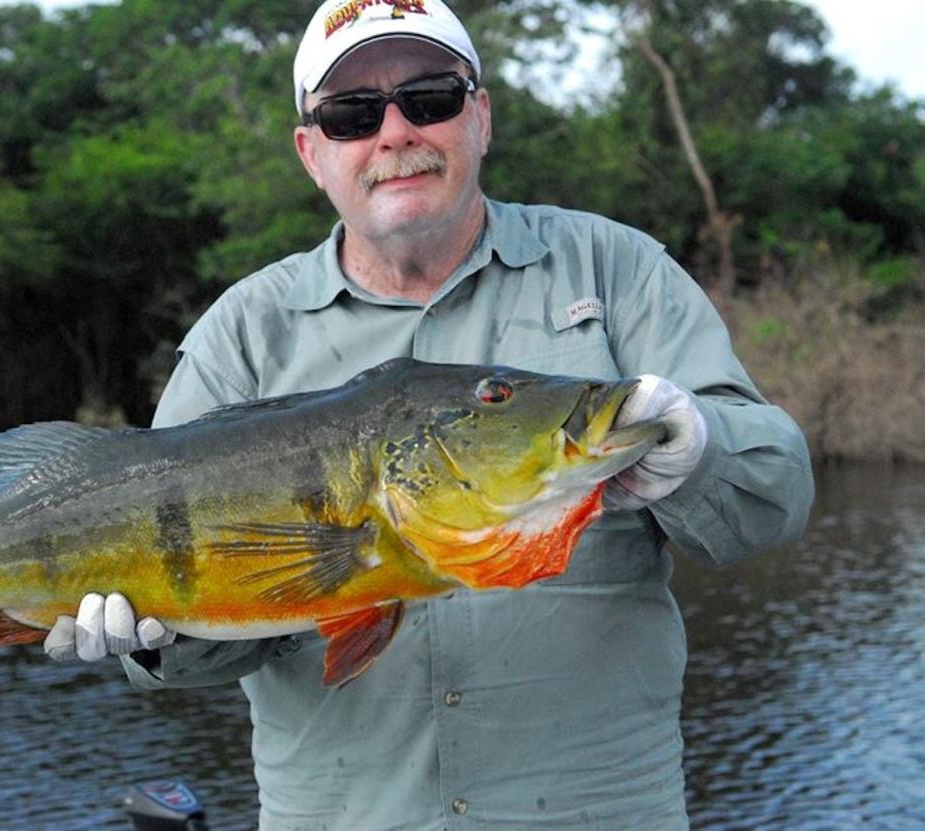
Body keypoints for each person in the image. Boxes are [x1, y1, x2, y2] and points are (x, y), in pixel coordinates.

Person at [44, 0, 815, 827]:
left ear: (479, 117)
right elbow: (194, 628)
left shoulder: (618, 272)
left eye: (430, 97)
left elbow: (773, 496)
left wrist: (699, 447)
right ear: (312, 153)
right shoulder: (242, 335)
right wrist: (151, 638)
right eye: (351, 113)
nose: (395, 132)